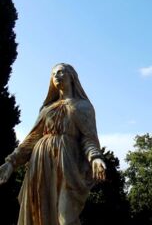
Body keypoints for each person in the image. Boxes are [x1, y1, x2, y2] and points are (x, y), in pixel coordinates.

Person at [0, 63, 106, 225]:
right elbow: (32, 138)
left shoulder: (83, 107)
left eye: (61, 72)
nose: (56, 76)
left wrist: (95, 157)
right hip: (40, 162)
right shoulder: (47, 108)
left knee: (66, 216)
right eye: (54, 74)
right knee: (39, 212)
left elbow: (88, 138)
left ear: (72, 77)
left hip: (67, 163)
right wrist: (11, 162)